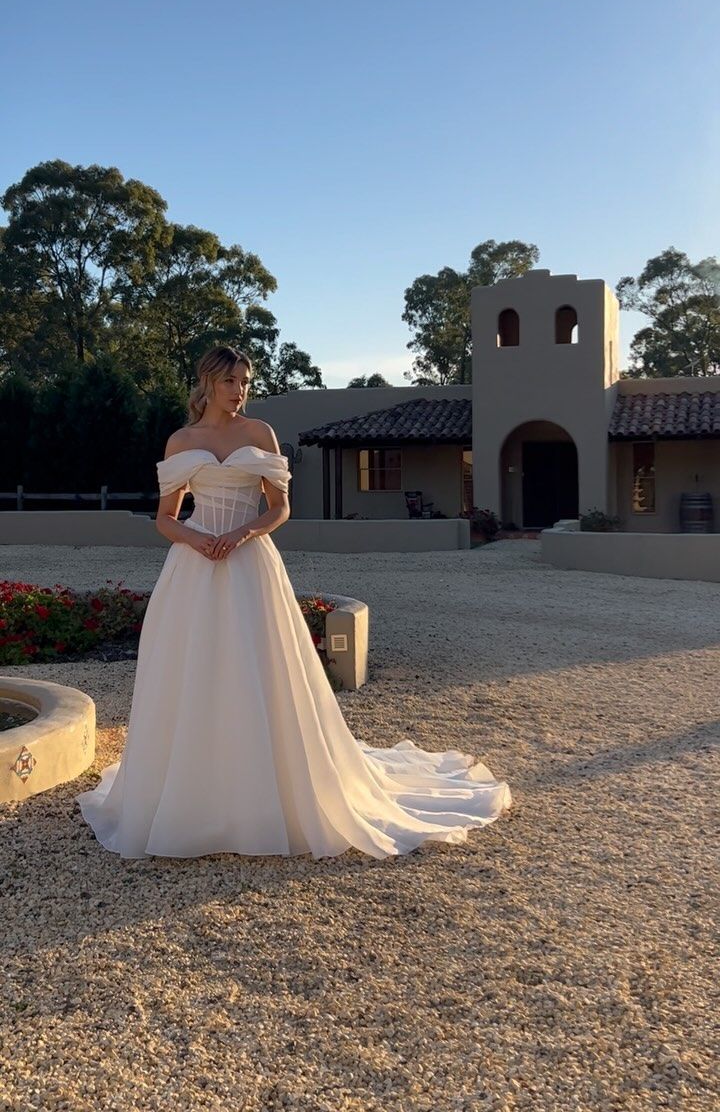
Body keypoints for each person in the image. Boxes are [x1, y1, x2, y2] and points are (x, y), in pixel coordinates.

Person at [76, 345, 511, 859]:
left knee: (259, 668)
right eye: (231, 381)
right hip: (194, 568)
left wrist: (241, 534)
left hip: (249, 561)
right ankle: (192, 793)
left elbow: (280, 508)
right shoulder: (181, 441)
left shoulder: (260, 434)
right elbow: (165, 518)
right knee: (193, 668)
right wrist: (198, 541)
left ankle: (268, 792)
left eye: (245, 381)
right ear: (208, 383)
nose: (240, 390)